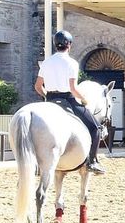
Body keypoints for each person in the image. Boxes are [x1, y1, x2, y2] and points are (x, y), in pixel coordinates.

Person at [33, 30, 105, 174]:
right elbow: (73, 89)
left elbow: (38, 86)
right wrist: (83, 99)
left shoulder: (46, 62)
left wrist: (47, 96)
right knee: (96, 128)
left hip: (51, 99)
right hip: (68, 99)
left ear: (55, 45)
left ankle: (36, 164)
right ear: (69, 45)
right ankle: (92, 161)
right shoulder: (72, 63)